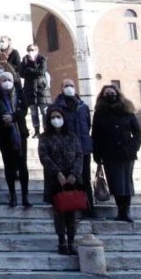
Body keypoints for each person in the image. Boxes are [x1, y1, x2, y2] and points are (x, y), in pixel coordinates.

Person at [92, 84, 141, 222]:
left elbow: (137, 132)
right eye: (107, 93)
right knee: (115, 183)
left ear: (117, 94)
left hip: (127, 153)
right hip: (109, 153)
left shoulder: (127, 110)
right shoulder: (99, 113)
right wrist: (97, 155)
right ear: (103, 96)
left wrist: (133, 147)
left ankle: (126, 211)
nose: (110, 95)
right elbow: (95, 135)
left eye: (112, 93)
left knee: (127, 183)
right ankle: (120, 210)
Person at [38, 106, 83, 255]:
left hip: (71, 179)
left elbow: (79, 155)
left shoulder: (72, 136)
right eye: (53, 117)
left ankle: (72, 241)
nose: (56, 120)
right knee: (59, 212)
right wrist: (57, 173)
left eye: (59, 117)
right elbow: (44, 156)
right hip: (54, 179)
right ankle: (61, 241)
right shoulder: (44, 137)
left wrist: (74, 174)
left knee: (71, 212)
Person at [0, 70, 31, 208]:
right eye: (3, 80)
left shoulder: (20, 94)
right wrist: (3, 118)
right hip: (4, 133)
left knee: (22, 165)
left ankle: (25, 195)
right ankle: (13, 195)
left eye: (9, 79)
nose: (6, 82)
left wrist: (13, 117)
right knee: (9, 165)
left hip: (20, 133)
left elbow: (24, 110)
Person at [53, 79, 94, 216]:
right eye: (66, 86)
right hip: (66, 150)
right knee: (69, 179)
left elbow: (87, 125)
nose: (69, 88)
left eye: (71, 85)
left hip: (83, 149)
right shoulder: (57, 106)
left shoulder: (83, 106)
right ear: (61, 88)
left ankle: (88, 208)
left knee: (85, 179)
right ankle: (70, 207)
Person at [19, 45, 51, 138]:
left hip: (42, 88)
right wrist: (32, 71)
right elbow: (21, 73)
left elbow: (41, 71)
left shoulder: (42, 59)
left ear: (37, 50)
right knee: (33, 111)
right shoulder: (24, 60)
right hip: (30, 88)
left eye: (32, 50)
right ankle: (36, 130)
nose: (30, 52)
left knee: (44, 110)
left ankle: (46, 129)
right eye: (29, 50)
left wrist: (29, 70)